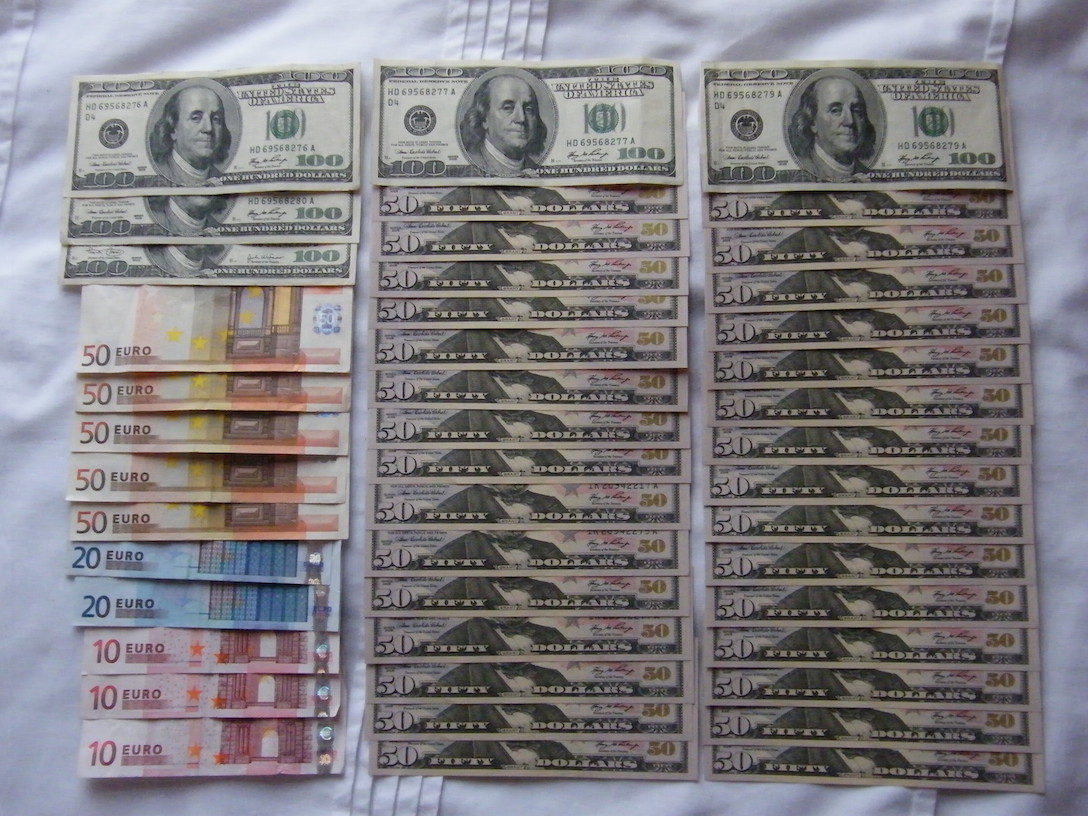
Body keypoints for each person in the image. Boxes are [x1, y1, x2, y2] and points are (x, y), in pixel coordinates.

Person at [788, 72, 877, 182]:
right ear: (812, 122)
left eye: (856, 110)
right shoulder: (801, 175)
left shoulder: (874, 179)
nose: (850, 121)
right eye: (835, 110)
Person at [459, 72, 549, 176]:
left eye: (529, 109)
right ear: (484, 118)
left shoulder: (540, 172)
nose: (521, 118)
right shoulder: (470, 167)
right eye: (507, 108)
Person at [148, 83, 233, 186]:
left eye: (216, 119)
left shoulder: (222, 178)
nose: (208, 128)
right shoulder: (161, 174)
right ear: (173, 129)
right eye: (196, 118)